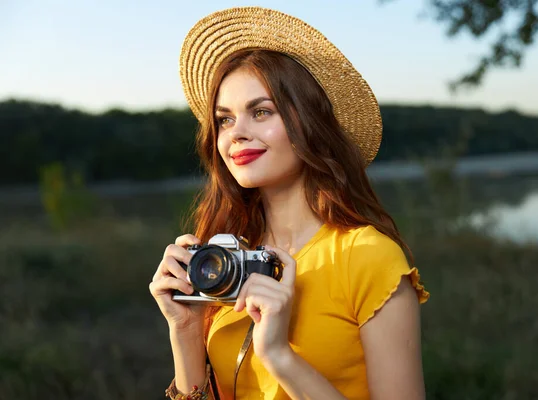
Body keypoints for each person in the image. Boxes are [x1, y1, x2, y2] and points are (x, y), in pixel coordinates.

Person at [149, 6, 430, 400]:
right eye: (224, 119)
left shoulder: (369, 258)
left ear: (309, 125)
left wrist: (280, 356)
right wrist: (185, 331)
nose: (236, 134)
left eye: (261, 112)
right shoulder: (223, 261)